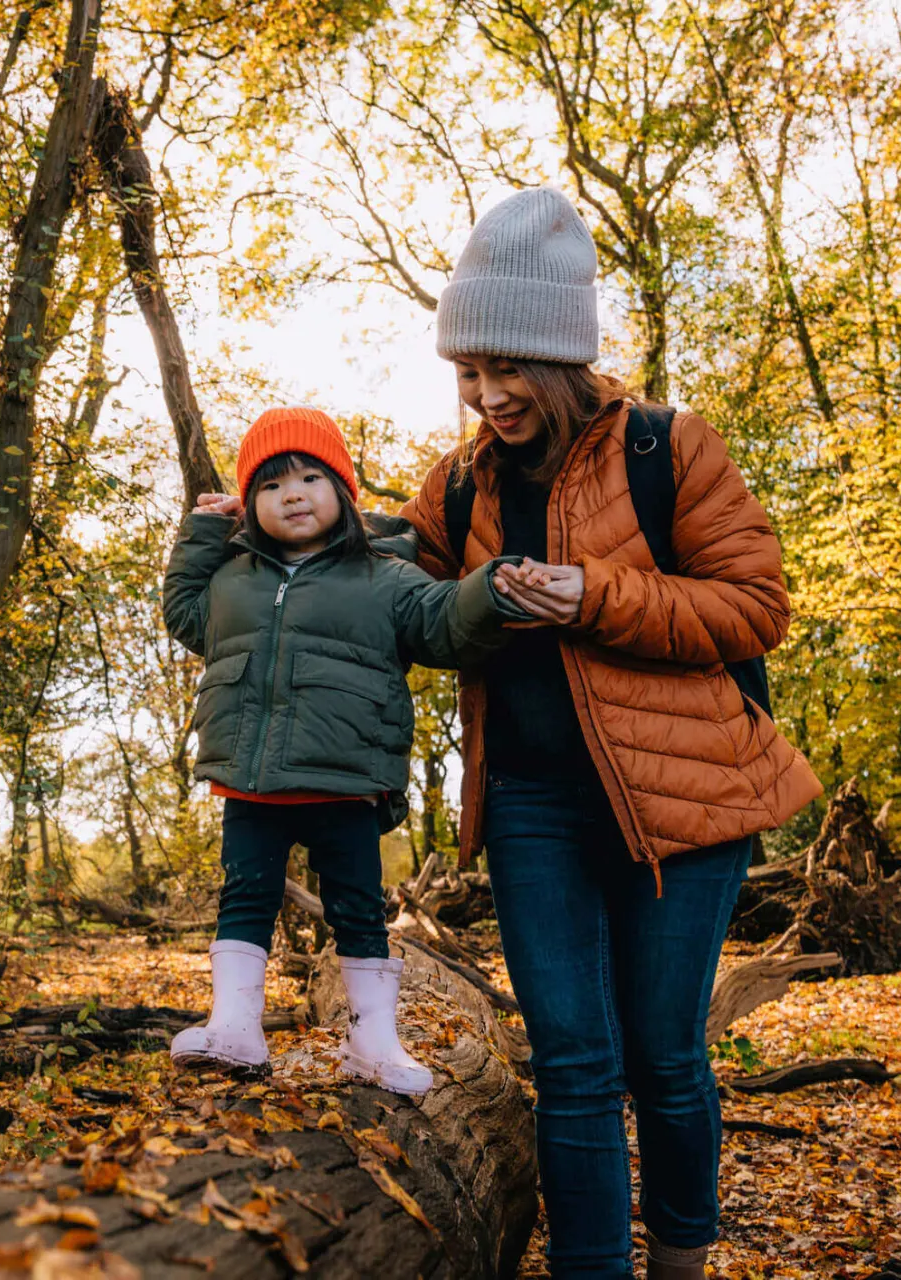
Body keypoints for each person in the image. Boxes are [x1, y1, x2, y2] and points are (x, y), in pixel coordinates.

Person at [399, 188, 823, 1279]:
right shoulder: (453, 489)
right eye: (468, 373)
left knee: (666, 1054)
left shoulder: (666, 447)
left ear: (559, 354)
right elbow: (403, 605)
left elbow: (754, 607)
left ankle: (682, 1261)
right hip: (535, 808)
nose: (488, 396)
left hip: (685, 801)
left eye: (506, 369)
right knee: (575, 1060)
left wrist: (597, 593)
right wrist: (252, 521)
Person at [161, 406, 521, 1094]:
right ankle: (234, 1024)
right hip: (251, 781)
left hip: (346, 779)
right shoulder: (234, 578)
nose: (291, 494)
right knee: (245, 896)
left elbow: (442, 626)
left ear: (343, 490)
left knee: (357, 907)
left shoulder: (384, 573)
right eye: (269, 486)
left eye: (308, 478)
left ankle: (373, 1043)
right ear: (248, 505)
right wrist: (205, 532)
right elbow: (183, 613)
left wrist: (491, 589)